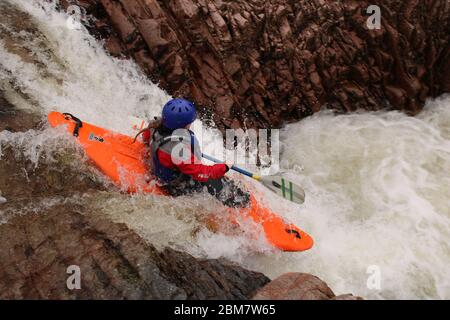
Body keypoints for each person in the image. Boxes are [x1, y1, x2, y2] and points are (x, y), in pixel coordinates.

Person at [137, 98, 250, 208]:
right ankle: (242, 204)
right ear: (183, 124)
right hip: (174, 185)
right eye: (189, 122)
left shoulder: (155, 126)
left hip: (163, 169)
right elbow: (201, 173)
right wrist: (224, 167)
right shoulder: (178, 150)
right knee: (212, 180)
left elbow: (147, 139)